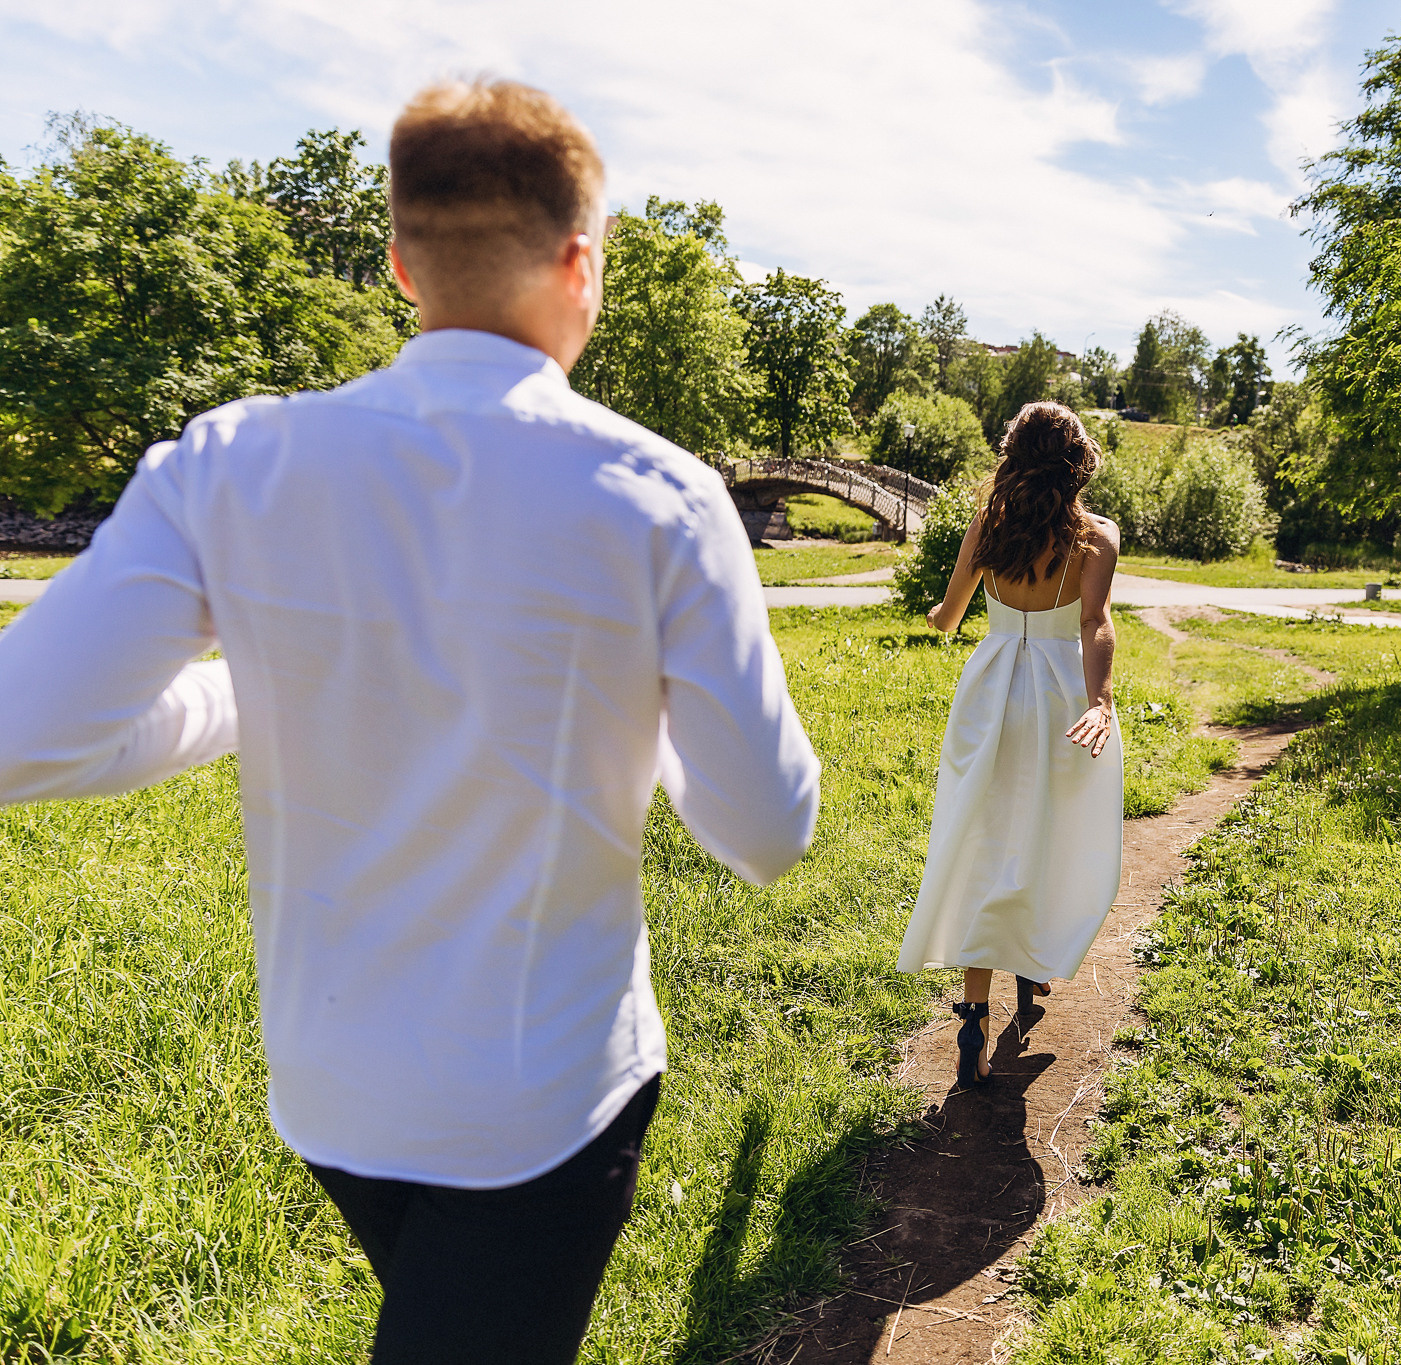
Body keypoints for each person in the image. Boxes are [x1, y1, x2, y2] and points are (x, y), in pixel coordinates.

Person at [0, 80, 820, 1364]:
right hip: (542, 1098)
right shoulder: (658, 498)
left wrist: (244, 690)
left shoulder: (228, 463)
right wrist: (639, 718)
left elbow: (21, 736)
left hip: (331, 1089)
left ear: (399, 264)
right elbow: (767, 833)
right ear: (582, 264)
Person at [897, 402, 1122, 1086]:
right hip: (1058, 695)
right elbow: (1094, 621)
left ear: (1013, 457)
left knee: (985, 834)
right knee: (1046, 828)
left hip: (991, 692)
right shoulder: (1097, 537)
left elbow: (948, 616)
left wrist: (935, 613)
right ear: (1078, 463)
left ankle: (972, 1015)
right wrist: (1100, 701)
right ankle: (1033, 958)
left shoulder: (988, 524)